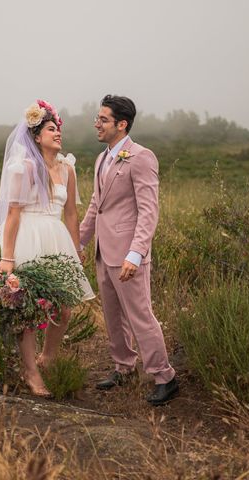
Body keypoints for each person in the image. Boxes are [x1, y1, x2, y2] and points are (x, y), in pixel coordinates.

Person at [0, 100, 95, 398]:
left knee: (63, 309)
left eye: (58, 129)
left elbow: (72, 214)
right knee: (30, 310)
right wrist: (7, 257)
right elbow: (13, 213)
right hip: (26, 237)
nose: (58, 133)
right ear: (37, 136)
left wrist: (76, 248)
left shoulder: (68, 169)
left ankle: (47, 357)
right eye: (51, 129)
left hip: (56, 239)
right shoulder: (23, 168)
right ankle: (30, 372)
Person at [79, 95, 179, 406]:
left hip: (128, 255)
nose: (97, 123)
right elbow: (97, 206)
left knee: (140, 315)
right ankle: (124, 367)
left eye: (103, 119)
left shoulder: (141, 157)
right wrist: (80, 242)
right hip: (102, 252)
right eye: (98, 118)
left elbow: (149, 211)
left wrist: (136, 254)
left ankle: (165, 377)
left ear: (121, 124)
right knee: (112, 315)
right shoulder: (101, 159)